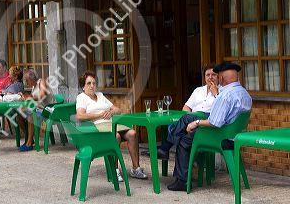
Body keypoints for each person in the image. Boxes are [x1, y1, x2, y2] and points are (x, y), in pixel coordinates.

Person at [167, 62, 252, 191]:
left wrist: (196, 123)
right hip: (234, 135)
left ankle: (182, 180)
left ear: (221, 78)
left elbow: (215, 122)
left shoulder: (225, 95)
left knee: (183, 139)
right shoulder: (244, 93)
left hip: (220, 136)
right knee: (184, 129)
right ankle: (171, 143)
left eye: (216, 75)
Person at [76, 71, 148, 181]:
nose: (92, 86)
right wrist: (99, 115)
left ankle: (135, 169)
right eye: (89, 83)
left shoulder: (100, 95)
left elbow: (117, 109)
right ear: (83, 86)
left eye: (94, 83)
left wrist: (111, 112)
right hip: (97, 128)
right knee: (117, 136)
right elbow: (80, 116)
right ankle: (114, 171)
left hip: (111, 124)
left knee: (132, 134)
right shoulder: (82, 98)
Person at [152, 63, 219, 160]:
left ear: (218, 76)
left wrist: (216, 93)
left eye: (213, 75)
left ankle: (164, 149)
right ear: (204, 77)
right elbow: (186, 107)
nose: (210, 77)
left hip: (207, 123)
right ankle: (187, 167)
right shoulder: (198, 90)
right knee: (177, 130)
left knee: (174, 127)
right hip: (192, 120)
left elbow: (220, 112)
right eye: (207, 75)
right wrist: (188, 120)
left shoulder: (222, 92)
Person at [18, 69, 54, 152]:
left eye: (26, 80)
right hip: (39, 110)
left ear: (31, 78)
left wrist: (29, 98)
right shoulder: (34, 86)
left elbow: (42, 95)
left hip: (48, 111)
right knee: (19, 115)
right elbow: (31, 97)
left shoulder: (42, 82)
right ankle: (29, 138)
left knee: (31, 115)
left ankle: (29, 143)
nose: (26, 83)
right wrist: (23, 96)